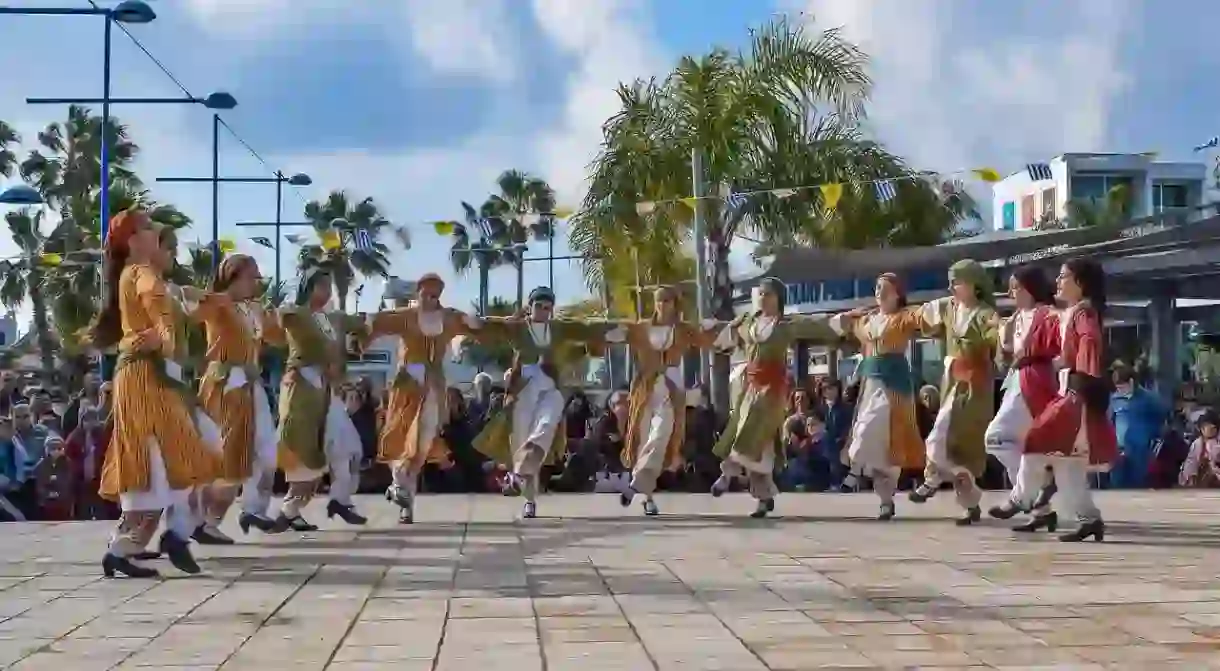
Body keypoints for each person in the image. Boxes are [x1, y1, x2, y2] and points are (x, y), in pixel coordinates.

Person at [89, 209, 223, 578]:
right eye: (148, 228)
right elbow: (156, 306)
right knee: (154, 462)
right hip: (143, 379)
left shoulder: (142, 276)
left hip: (157, 379)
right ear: (133, 240)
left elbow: (173, 308)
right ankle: (128, 546)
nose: (156, 234)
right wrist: (162, 335)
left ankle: (161, 536)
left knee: (178, 456)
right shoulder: (141, 273)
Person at [470, 286, 606, 519]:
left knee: (545, 429)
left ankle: (519, 478)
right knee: (521, 445)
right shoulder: (518, 327)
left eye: (547, 307)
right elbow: (492, 325)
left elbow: (583, 329)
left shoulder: (558, 329)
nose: (543, 311)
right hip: (523, 391)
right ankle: (529, 499)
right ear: (530, 306)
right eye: (539, 306)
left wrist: (608, 328)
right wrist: (471, 322)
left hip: (550, 388)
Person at [709, 277, 839, 518]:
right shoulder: (747, 323)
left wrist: (843, 321)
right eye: (761, 294)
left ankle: (726, 475)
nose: (763, 298)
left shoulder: (785, 325)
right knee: (761, 444)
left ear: (779, 299)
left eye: (769, 294)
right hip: (749, 387)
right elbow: (723, 336)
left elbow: (814, 324)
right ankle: (764, 497)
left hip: (773, 389)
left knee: (751, 427)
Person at [1015, 259, 1117, 542]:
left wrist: (1086, 372)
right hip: (1071, 389)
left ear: (1080, 283)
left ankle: (1020, 499)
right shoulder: (1070, 312)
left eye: (1063, 277)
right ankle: (1089, 519)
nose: (1057, 282)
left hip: (1076, 391)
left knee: (1037, 438)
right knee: (1067, 462)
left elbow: (1089, 341)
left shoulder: (1083, 313)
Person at [365, 273, 479, 523]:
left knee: (421, 446)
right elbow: (377, 322)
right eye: (427, 294)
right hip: (407, 386)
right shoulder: (406, 315)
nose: (431, 299)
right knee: (400, 438)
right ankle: (401, 494)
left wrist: (483, 326)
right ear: (417, 293)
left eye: (436, 294)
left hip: (434, 387)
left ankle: (403, 496)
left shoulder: (448, 317)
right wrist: (362, 337)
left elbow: (474, 325)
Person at [601, 286, 722, 516]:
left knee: (661, 435)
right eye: (658, 301)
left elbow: (709, 342)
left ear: (675, 303)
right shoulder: (641, 328)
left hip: (672, 389)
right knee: (643, 438)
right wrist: (607, 331)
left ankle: (636, 484)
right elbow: (612, 338)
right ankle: (646, 497)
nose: (662, 305)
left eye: (667, 301)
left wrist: (712, 328)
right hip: (645, 388)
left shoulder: (684, 329)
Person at [191, 254, 288, 538]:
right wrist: (198, 297)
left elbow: (278, 337)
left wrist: (287, 320)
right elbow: (190, 315)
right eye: (251, 276)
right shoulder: (219, 304)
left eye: (258, 277)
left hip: (250, 385)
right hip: (224, 384)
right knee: (227, 458)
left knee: (268, 451)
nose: (256, 282)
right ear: (233, 276)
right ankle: (203, 523)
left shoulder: (255, 309)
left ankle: (253, 509)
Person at [272, 267, 370, 532]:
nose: (325, 292)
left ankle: (339, 501)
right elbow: (276, 319)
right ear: (307, 287)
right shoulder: (296, 313)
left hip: (328, 392)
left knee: (349, 449)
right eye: (320, 286)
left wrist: (360, 340)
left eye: (329, 286)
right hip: (302, 389)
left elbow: (365, 323)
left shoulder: (334, 318)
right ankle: (289, 511)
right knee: (305, 465)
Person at [907, 260, 1000, 526]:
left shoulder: (984, 313)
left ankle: (932, 480)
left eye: (957, 281)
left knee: (950, 439)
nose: (952, 286)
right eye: (950, 281)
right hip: (951, 382)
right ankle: (969, 505)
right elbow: (920, 314)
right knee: (948, 444)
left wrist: (1003, 333)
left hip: (974, 385)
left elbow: (997, 330)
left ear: (974, 284)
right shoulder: (948, 307)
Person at [829, 274, 927, 520]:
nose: (879, 292)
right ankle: (885, 501)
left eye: (885, 288)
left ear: (897, 293)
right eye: (877, 288)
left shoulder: (903, 317)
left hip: (894, 384)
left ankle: (855, 471)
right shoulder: (867, 320)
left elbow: (924, 316)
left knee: (884, 433)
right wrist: (850, 315)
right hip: (870, 383)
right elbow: (837, 324)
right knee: (874, 440)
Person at [984, 266, 1061, 522]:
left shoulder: (1047, 314)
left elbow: (1060, 349)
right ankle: (1041, 507)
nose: (1010, 292)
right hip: (1016, 382)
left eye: (1015, 287)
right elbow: (1007, 353)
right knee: (1023, 445)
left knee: (997, 437)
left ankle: (1031, 491)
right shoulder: (1018, 317)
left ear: (1030, 288)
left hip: (1035, 383)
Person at [1109, 365, 1169, 488]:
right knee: (1117, 484)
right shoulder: (1114, 400)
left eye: (1122, 387)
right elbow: (1110, 420)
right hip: (1119, 448)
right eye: (1118, 387)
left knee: (1138, 484)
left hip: (1140, 449)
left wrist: (1154, 439)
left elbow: (1163, 418)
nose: (1120, 390)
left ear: (1131, 382)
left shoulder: (1149, 399)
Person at [64, 409, 117, 520]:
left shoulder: (102, 435)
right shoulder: (75, 437)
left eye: (93, 419)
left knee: (101, 507)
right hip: (81, 478)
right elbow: (69, 455)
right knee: (83, 506)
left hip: (99, 477)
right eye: (87, 420)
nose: (90, 423)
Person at [34, 434, 74, 521]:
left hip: (63, 502)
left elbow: (68, 482)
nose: (56, 451)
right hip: (46, 503)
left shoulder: (67, 464)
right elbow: (40, 483)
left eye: (59, 449)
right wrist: (47, 493)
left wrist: (58, 490)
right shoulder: (41, 465)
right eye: (53, 449)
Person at [1179, 409, 1220, 487]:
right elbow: (1191, 461)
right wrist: (1191, 476)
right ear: (1201, 429)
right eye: (1206, 427)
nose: (1209, 430)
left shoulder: (1217, 442)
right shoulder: (1197, 443)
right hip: (1201, 476)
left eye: (1213, 428)